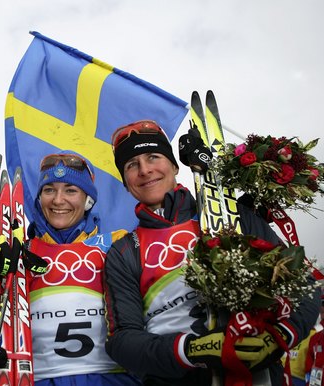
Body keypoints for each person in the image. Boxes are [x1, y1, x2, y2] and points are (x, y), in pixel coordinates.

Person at [102, 120, 320, 385]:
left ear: (174, 165)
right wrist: (191, 349)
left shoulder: (233, 216)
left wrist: (280, 335)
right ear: (125, 183)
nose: (145, 170)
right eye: (131, 165)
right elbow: (122, 340)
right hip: (176, 378)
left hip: (256, 372)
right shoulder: (123, 251)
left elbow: (302, 284)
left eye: (153, 157)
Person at [0, 151, 141, 385]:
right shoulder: (18, 252)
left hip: (111, 378)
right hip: (38, 379)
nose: (58, 200)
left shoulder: (118, 244)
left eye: (71, 190)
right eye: (49, 190)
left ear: (88, 200)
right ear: (39, 198)